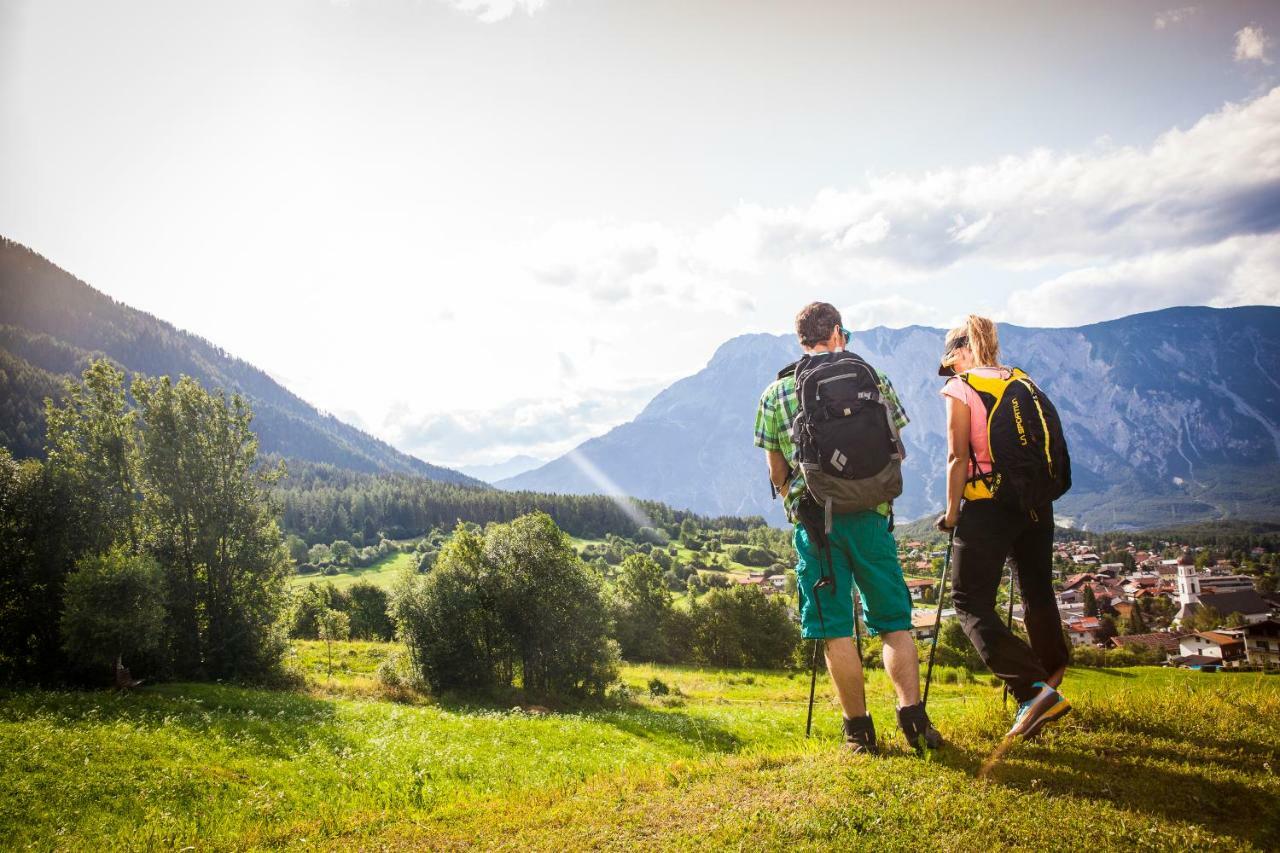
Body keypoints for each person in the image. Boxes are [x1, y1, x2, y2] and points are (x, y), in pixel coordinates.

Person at [755, 301, 941, 755]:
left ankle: (858, 733)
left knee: (835, 629)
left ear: (800, 340)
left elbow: (777, 471)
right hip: (872, 519)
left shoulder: (775, 394)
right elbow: (897, 449)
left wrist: (794, 494)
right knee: (894, 623)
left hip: (817, 523)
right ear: (838, 332)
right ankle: (914, 722)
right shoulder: (871, 377)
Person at [935, 315, 1071, 739]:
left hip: (988, 505)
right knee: (1036, 589)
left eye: (950, 360)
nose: (951, 369)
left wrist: (952, 511)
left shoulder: (962, 387)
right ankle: (1050, 678)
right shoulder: (1021, 379)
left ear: (962, 351)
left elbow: (958, 457)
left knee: (969, 601)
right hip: (1035, 503)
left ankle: (1032, 691)